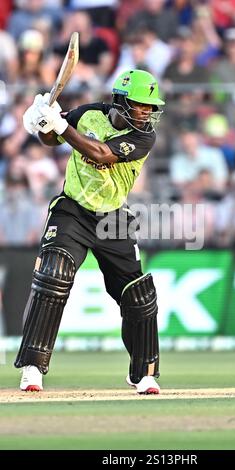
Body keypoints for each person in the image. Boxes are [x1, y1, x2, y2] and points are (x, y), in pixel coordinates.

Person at [15, 69, 165, 394]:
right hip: (73, 209)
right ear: (121, 101)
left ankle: (144, 373)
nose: (147, 113)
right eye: (141, 105)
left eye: (151, 107)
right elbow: (51, 138)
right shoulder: (89, 114)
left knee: (138, 295)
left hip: (113, 217)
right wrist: (40, 123)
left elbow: (100, 154)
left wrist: (60, 125)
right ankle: (32, 367)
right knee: (54, 275)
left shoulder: (144, 137)